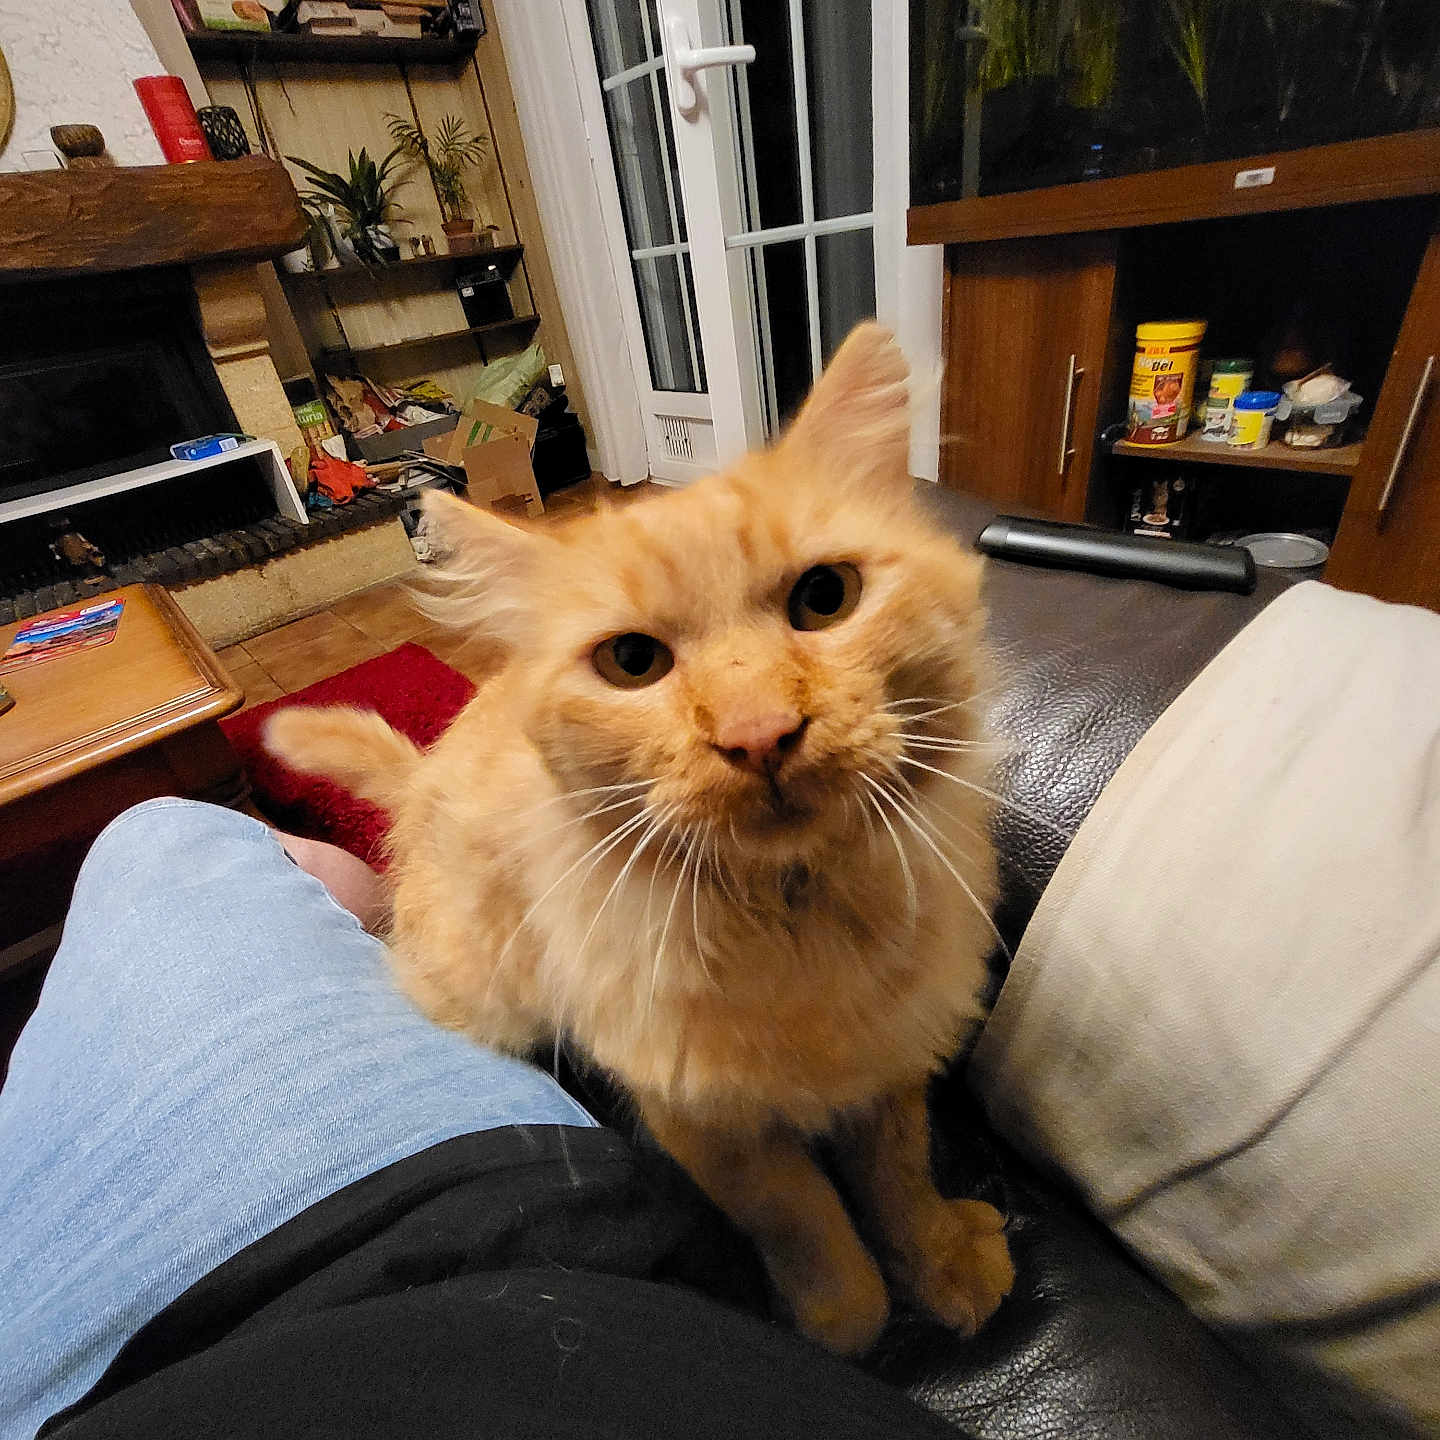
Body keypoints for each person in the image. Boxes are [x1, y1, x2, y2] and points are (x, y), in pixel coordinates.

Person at [0, 799, 960, 1440]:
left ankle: (340, 902)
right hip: (490, 1222)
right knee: (165, 838)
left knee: (152, 834)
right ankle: (331, 898)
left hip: (53, 1381)